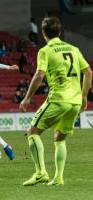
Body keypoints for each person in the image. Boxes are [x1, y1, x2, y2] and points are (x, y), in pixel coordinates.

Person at [19, 17, 92, 186]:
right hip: (74, 102)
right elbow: (88, 72)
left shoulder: (45, 51)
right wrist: (84, 96)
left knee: (32, 132)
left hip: (59, 99)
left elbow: (39, 75)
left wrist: (27, 98)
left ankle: (40, 173)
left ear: (43, 33)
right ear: (60, 32)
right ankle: (58, 178)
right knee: (59, 137)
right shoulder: (74, 49)